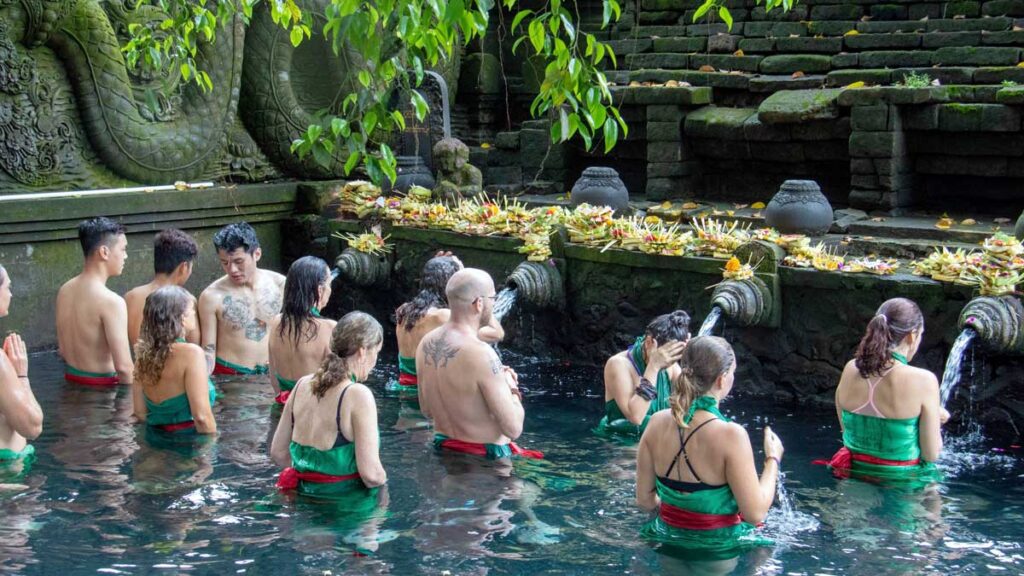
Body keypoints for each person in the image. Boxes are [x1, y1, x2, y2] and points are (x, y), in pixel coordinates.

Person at [636, 336, 782, 555]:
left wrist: (682, 515)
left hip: (667, 540)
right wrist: (772, 459)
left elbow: (645, 501)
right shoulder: (732, 435)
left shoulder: (656, 422)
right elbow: (755, 514)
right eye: (732, 373)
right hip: (715, 548)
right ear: (722, 379)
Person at [417, 268, 542, 460]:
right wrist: (511, 386)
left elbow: (426, 410)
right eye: (493, 298)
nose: (494, 303)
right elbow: (514, 428)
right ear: (479, 303)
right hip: (486, 463)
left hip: (443, 454)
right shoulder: (482, 353)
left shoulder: (426, 343)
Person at [818, 298, 946, 483]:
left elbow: (848, 434)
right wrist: (936, 419)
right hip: (903, 486)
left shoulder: (850, 369)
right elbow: (931, 454)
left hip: (855, 480)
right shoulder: (924, 381)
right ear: (911, 336)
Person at [271, 311, 387, 495]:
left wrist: (310, 477)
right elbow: (371, 475)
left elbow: (278, 452)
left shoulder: (302, 385)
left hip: (302, 504)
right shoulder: (357, 394)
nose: (375, 361)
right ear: (362, 351)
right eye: (376, 352)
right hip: (345, 511)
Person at [391, 253, 503, 396]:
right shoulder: (443, 316)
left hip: (403, 389)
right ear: (451, 284)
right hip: (428, 394)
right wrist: (480, 294)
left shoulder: (404, 311)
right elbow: (496, 333)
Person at [198, 222, 285, 376]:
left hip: (272, 371)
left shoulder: (279, 284)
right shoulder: (211, 296)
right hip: (231, 374)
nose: (232, 269)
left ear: (257, 254)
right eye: (225, 263)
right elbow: (208, 350)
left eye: (239, 262)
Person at [56, 217, 134, 386]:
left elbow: (62, 351)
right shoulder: (112, 302)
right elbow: (124, 368)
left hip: (71, 386)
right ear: (104, 252)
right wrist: (134, 408)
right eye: (123, 249)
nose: (126, 256)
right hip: (104, 393)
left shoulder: (65, 290)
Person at [133, 286, 217, 434]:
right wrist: (211, 449)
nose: (193, 313)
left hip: (155, 441)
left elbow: (140, 414)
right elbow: (202, 418)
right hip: (188, 443)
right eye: (191, 310)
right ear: (182, 317)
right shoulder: (192, 354)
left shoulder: (143, 356)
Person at [596, 311, 690, 439]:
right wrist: (653, 367)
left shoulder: (670, 363)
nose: (669, 362)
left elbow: (692, 402)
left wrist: (690, 354)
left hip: (658, 438)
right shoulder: (618, 364)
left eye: (675, 357)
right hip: (622, 442)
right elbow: (636, 417)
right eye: (666, 356)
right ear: (649, 342)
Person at [268, 256, 336, 405]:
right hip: (313, 410)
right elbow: (338, 385)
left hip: (283, 406)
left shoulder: (276, 322)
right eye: (329, 284)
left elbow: (273, 378)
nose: (330, 290)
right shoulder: (330, 328)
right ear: (320, 290)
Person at [0, 264, 44, 471]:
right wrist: (20, 375)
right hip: (7, 477)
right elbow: (32, 427)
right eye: (8, 287)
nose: (11, 294)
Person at [125, 229, 200, 348]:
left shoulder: (131, 297)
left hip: (141, 364)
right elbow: (195, 345)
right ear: (184, 267)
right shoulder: (186, 300)